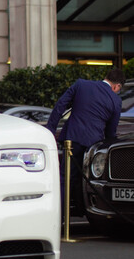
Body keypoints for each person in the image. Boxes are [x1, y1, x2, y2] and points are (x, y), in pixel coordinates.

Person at [45, 68, 125, 217]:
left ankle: (59, 217)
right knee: (87, 181)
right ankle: (86, 212)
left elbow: (60, 106)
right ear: (117, 86)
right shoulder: (116, 100)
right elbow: (111, 132)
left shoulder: (81, 85)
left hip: (72, 139)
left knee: (65, 179)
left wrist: (50, 130)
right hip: (93, 146)